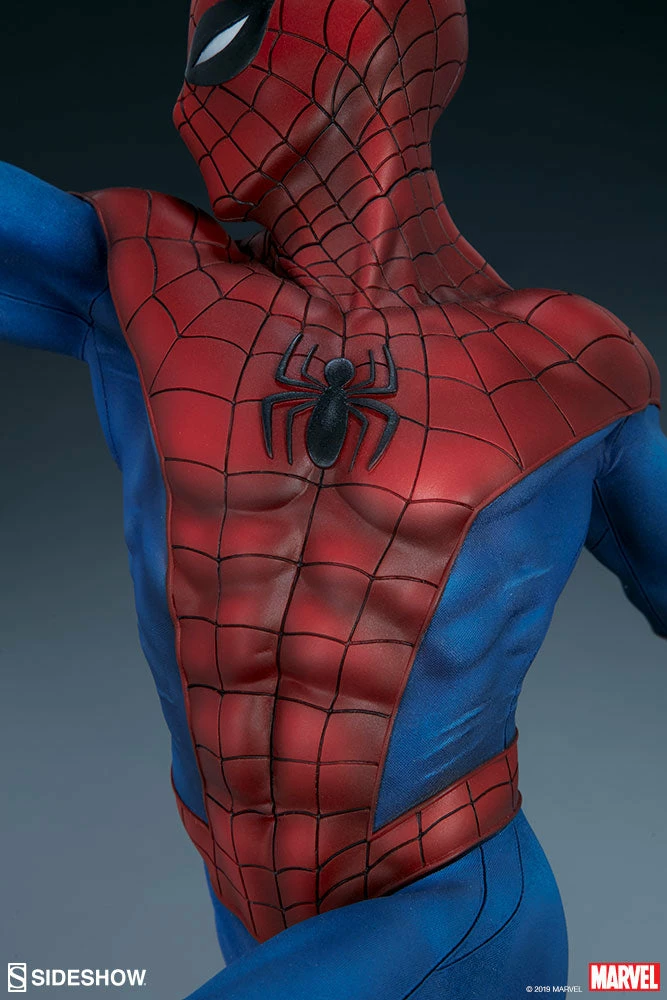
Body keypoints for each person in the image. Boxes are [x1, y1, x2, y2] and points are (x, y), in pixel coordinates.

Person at [1, 0, 665, 996]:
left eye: (228, 40)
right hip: (249, 906)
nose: (187, 104)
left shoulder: (561, 365)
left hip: (450, 908)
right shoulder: (148, 282)